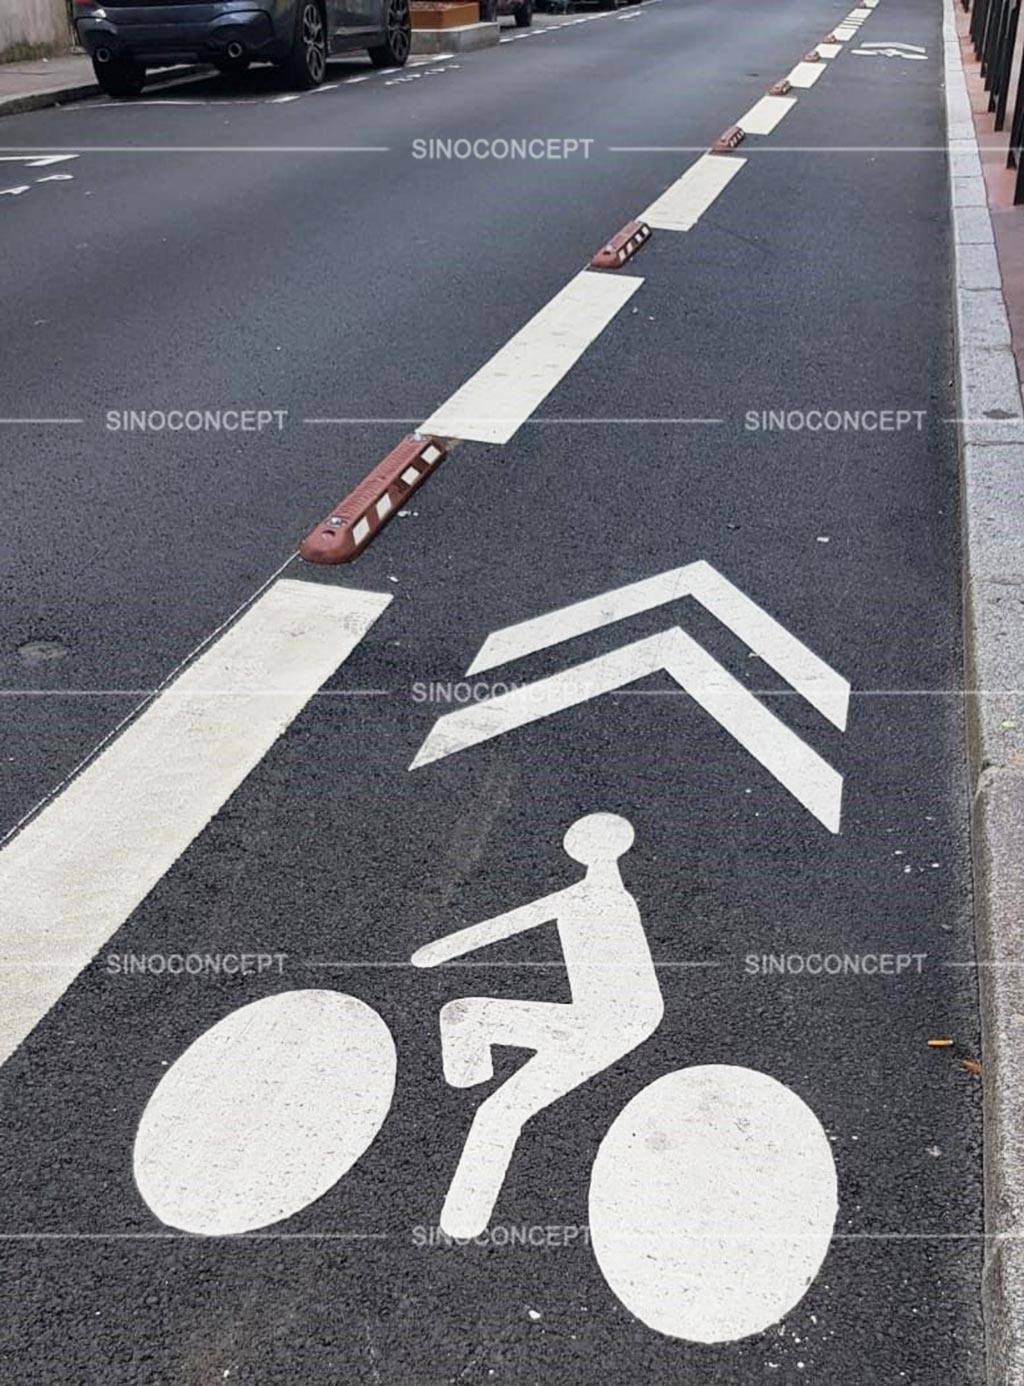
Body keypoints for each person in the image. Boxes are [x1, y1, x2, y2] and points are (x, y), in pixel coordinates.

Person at [411, 812, 664, 1240]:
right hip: (599, 1014)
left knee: (500, 1109)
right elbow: (507, 925)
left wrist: (437, 952)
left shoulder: (598, 898)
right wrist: (437, 952)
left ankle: (463, 1220)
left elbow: (506, 925)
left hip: (617, 1018)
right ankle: (469, 1080)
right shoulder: (582, 896)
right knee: (464, 1015)